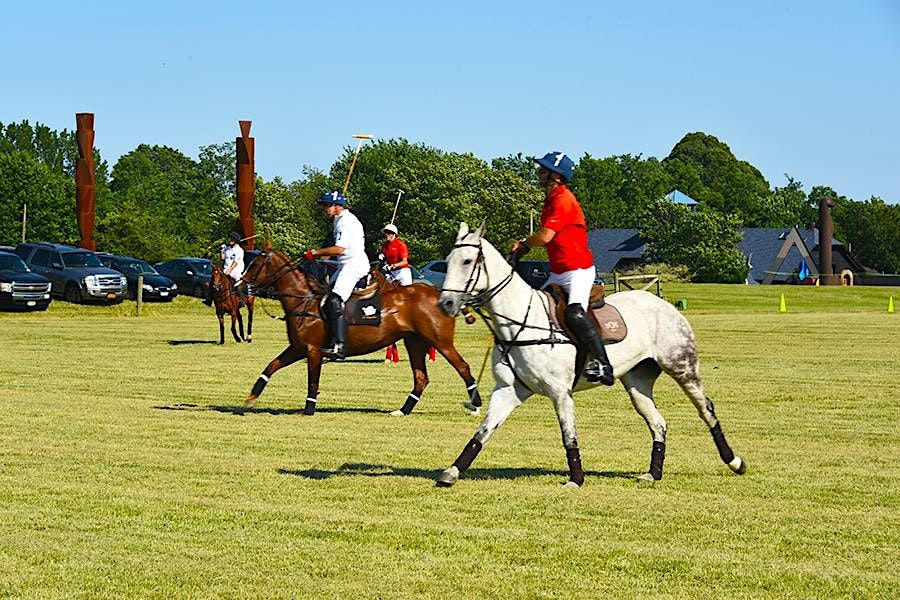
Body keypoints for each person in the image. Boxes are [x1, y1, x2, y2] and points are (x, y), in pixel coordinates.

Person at [510, 151, 614, 385]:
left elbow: (546, 236)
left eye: (543, 170)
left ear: (556, 176)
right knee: (533, 309)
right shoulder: (550, 200)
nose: (539, 173)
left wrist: (525, 245)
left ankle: (604, 365)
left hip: (578, 270)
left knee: (574, 313)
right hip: (558, 271)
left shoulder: (564, 200)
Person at [304, 191, 370, 359]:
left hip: (354, 264)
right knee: (324, 296)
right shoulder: (338, 220)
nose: (323, 208)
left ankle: (340, 345)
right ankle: (328, 337)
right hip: (343, 265)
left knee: (334, 300)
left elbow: (340, 249)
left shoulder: (346, 222)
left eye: (326, 205)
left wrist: (316, 253)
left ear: (337, 206)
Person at [380, 223, 411, 363]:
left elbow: (404, 261)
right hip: (390, 272)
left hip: (402, 272)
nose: (387, 235)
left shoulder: (401, 245)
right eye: (386, 233)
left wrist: (393, 265)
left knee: (409, 295)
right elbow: (384, 259)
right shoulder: (384, 246)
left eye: (389, 233)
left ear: (394, 234)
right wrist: (382, 259)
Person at [203, 231, 244, 306]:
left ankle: (241, 300)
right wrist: (221, 250)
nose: (231, 240)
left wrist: (230, 270)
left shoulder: (240, 250)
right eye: (231, 238)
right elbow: (222, 258)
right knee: (213, 280)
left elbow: (236, 262)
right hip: (225, 269)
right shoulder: (227, 248)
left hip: (236, 271)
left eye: (233, 239)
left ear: (236, 240)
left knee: (238, 283)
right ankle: (209, 299)